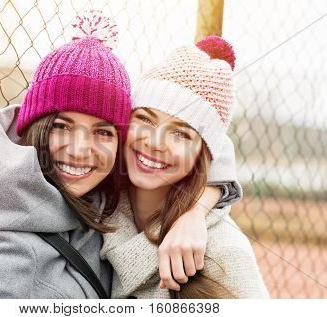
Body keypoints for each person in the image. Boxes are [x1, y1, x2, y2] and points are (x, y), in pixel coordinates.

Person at [0, 12, 239, 299]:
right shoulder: (8, 249)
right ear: (35, 128)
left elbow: (211, 141)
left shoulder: (103, 196)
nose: (80, 150)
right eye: (62, 127)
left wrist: (196, 212)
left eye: (103, 132)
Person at [100, 36, 269, 299]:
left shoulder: (225, 250)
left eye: (180, 134)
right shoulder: (96, 208)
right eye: (145, 119)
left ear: (202, 158)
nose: (155, 143)